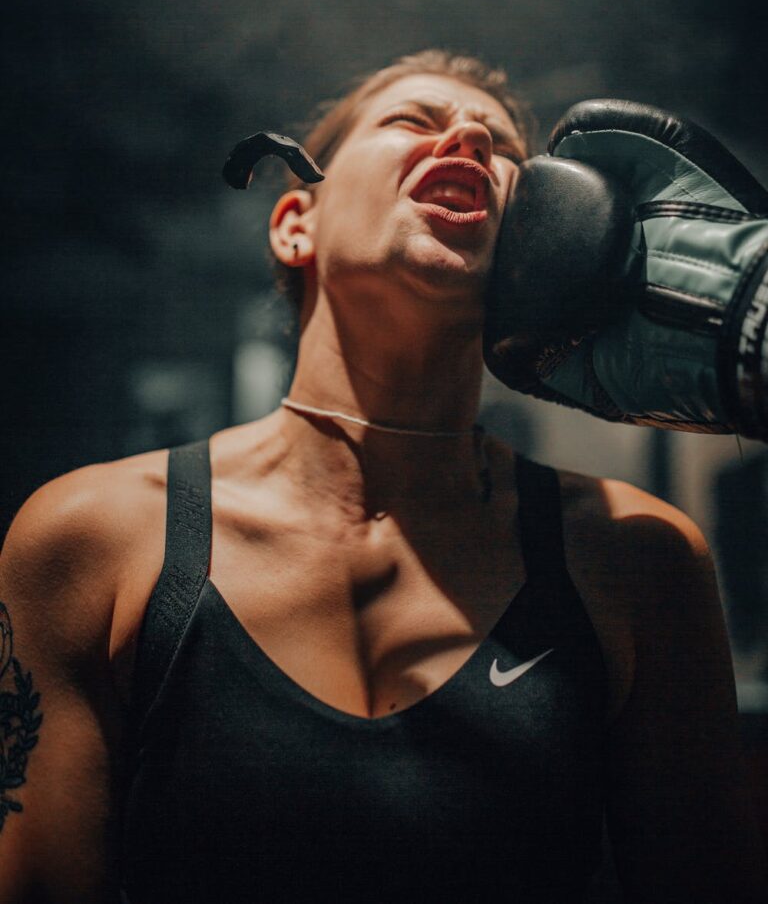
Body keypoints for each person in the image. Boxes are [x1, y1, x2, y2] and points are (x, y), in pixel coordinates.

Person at [0, 49, 764, 903]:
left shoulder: (637, 560)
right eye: (414, 120)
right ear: (297, 222)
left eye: (502, 148)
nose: (470, 135)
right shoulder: (93, 538)